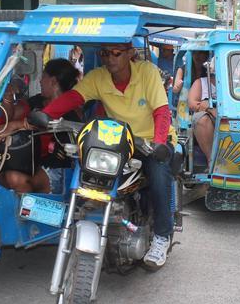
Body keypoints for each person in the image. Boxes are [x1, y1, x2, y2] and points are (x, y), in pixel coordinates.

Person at [43, 43, 175, 269]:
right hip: (119, 142)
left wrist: (159, 143)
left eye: (117, 53)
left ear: (130, 53)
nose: (110, 58)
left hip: (151, 142)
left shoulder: (147, 72)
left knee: (158, 174)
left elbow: (161, 112)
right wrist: (44, 115)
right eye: (105, 53)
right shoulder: (98, 77)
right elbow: (74, 97)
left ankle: (162, 236)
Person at [0, 59, 81, 194]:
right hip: (32, 163)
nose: (40, 81)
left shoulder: (72, 111)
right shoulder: (37, 100)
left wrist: (16, 125)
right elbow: (12, 115)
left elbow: (46, 124)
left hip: (59, 170)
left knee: (15, 179)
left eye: (43, 77)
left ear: (53, 81)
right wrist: (8, 99)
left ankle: (26, 212)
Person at [188, 59, 217, 159]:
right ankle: (211, 159)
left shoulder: (238, 84)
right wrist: (208, 109)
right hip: (210, 118)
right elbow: (192, 103)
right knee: (202, 119)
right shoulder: (201, 82)